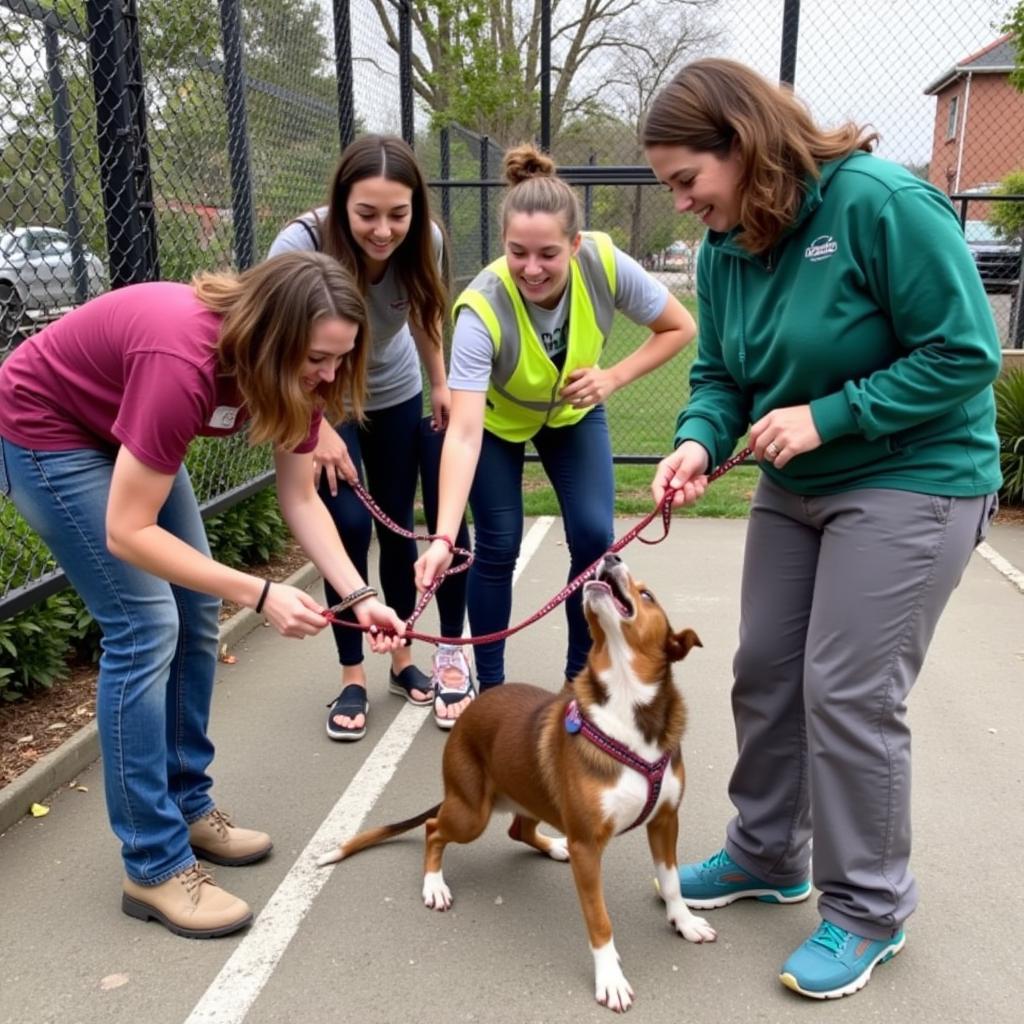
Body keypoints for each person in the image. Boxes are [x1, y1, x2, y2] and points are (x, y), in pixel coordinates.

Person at [641, 58, 1002, 1000]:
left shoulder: (880, 204)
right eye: (668, 186)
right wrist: (693, 441)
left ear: (744, 142)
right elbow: (720, 375)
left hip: (913, 477)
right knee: (764, 668)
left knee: (847, 692)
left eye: (688, 180)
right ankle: (768, 855)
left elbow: (964, 352)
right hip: (796, 488)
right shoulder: (725, 249)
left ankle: (868, 909)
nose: (681, 203)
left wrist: (828, 415)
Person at [0, 251, 406, 939]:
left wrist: (359, 594)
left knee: (193, 609)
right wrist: (261, 592)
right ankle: (152, 865)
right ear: (271, 336)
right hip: (51, 431)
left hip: (117, 429)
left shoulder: (297, 371)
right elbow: (128, 532)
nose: (329, 376)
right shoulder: (181, 362)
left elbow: (300, 497)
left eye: (341, 359)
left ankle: (187, 805)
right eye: (317, 359)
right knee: (146, 624)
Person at [415, 144, 696, 691]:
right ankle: (492, 692)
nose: (532, 268)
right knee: (497, 544)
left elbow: (680, 327)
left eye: (548, 253)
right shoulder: (480, 309)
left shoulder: (604, 261)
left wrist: (612, 377)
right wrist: (445, 536)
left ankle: (578, 682)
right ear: (503, 245)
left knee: (595, 540)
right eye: (518, 252)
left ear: (575, 244)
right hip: (498, 425)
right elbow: (465, 434)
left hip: (573, 417)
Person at [268, 134, 473, 737]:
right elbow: (278, 350)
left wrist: (439, 379)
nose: (383, 230)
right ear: (340, 204)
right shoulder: (300, 245)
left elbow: (425, 310)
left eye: (398, 214)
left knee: (395, 526)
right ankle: (352, 674)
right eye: (367, 214)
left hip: (397, 390)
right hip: (325, 396)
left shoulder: (424, 239)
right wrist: (320, 423)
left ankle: (402, 658)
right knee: (349, 528)